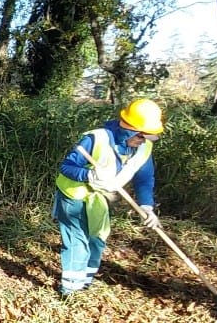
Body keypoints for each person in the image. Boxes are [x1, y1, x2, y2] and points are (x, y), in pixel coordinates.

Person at [53, 98, 165, 297]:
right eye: (141, 136)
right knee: (77, 241)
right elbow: (66, 167)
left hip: (100, 197)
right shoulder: (96, 139)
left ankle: (85, 281)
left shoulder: (143, 148)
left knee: (98, 238)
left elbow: (145, 179)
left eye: (148, 137)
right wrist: (89, 175)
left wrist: (147, 206)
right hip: (73, 195)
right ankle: (70, 291)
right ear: (129, 129)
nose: (143, 141)